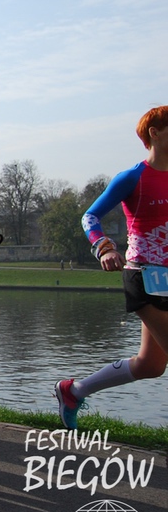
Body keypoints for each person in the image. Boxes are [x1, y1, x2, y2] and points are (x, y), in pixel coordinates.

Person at [54, 106, 168, 429]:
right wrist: (103, 247)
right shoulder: (133, 177)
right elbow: (90, 215)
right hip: (145, 277)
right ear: (154, 133)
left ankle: (74, 391)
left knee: (150, 365)